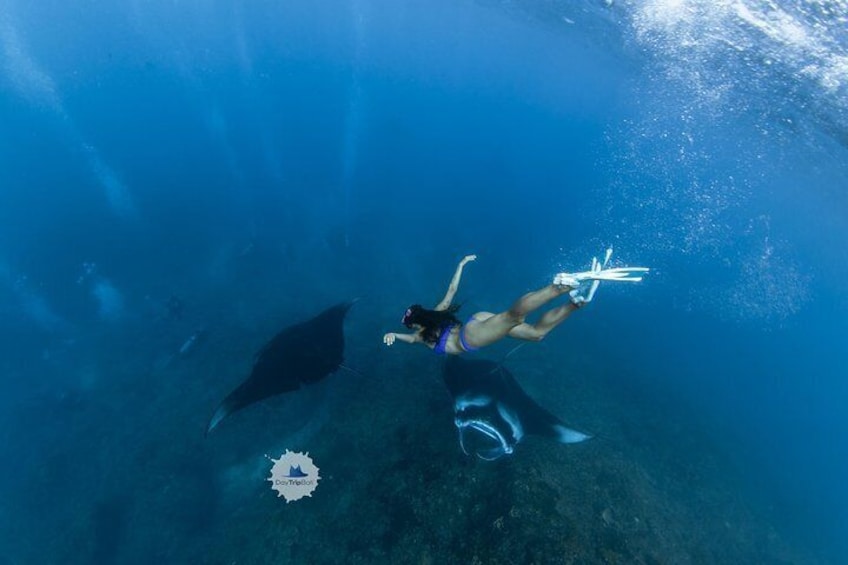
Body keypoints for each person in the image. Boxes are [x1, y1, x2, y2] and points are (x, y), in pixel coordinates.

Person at [383, 254, 596, 355]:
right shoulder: (436, 314)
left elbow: (410, 340)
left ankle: (559, 287)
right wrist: (461, 264)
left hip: (471, 337)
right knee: (535, 334)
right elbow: (451, 290)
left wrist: (394, 335)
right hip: (477, 320)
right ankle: (576, 301)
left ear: (414, 324)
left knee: (513, 317)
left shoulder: (422, 335)